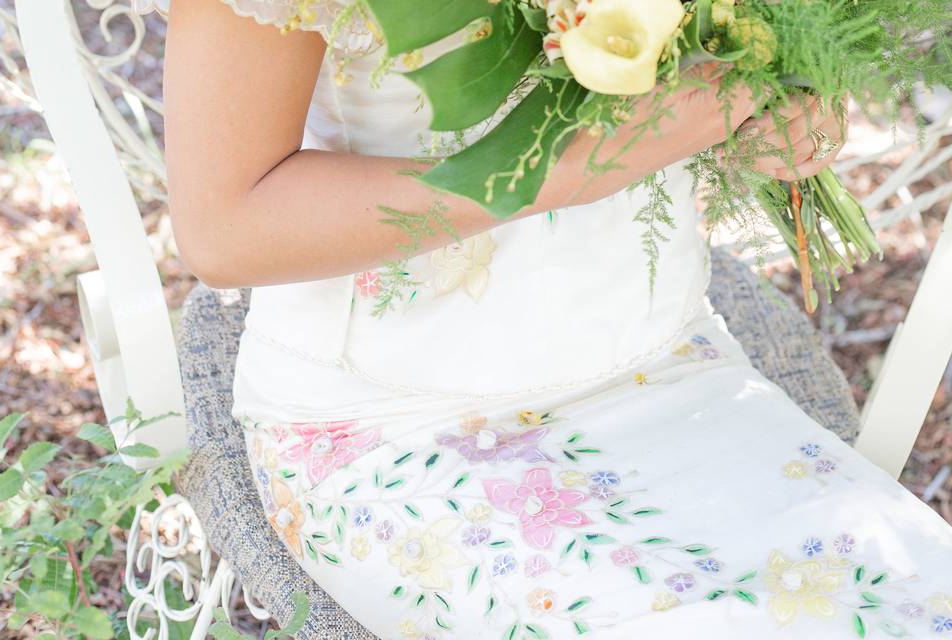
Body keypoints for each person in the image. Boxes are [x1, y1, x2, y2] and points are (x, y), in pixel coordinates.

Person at [161, 1, 952, 637]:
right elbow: (225, 229)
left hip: (671, 361)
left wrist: (783, 110)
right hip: (399, 422)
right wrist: (560, 170)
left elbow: (740, 61)